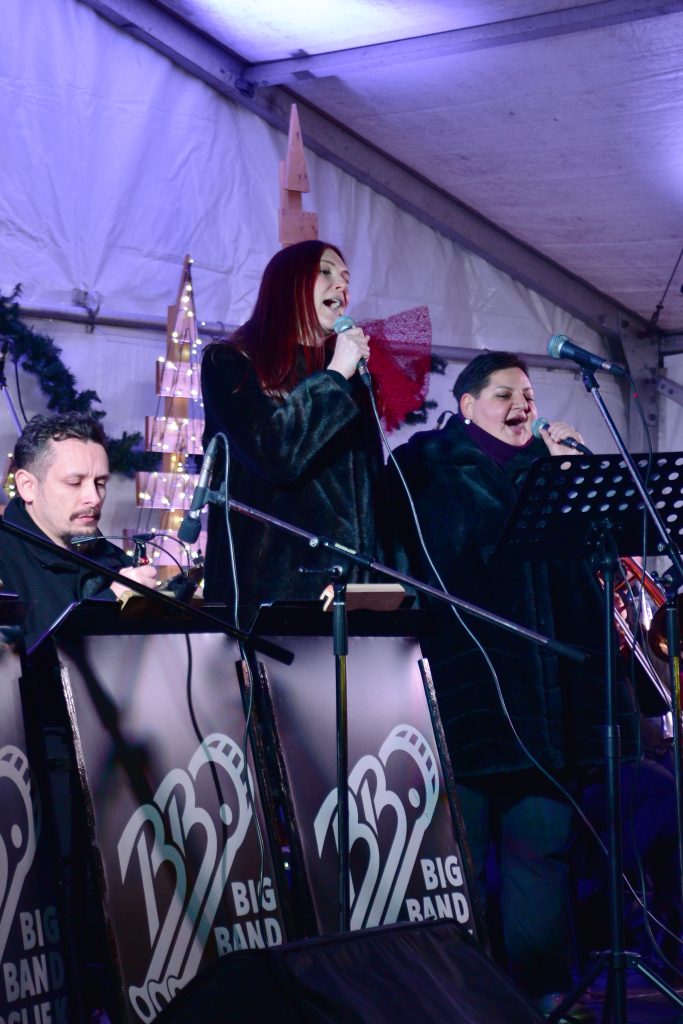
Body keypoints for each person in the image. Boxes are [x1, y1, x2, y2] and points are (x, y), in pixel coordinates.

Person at [389, 351, 639, 1016]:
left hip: (547, 717)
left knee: (541, 855)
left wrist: (574, 484)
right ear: (467, 405)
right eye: (505, 394)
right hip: (464, 705)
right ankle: (461, 997)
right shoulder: (424, 466)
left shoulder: (548, 467)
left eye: (528, 395)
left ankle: (545, 993)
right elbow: (457, 549)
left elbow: (599, 571)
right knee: (459, 864)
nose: (522, 406)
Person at [200, 240, 387, 624]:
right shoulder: (230, 363)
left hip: (348, 594)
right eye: (326, 272)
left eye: (346, 278)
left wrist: (379, 579)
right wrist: (335, 375)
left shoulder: (350, 380)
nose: (342, 285)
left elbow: (371, 492)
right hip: (268, 598)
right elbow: (276, 455)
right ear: (288, 284)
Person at [0, 412, 157, 649]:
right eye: (74, 483)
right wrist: (109, 604)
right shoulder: (5, 560)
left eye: (100, 483)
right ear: (27, 486)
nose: (94, 498)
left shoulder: (118, 562)